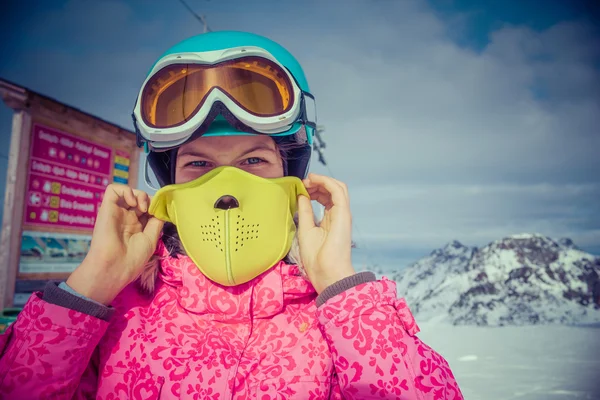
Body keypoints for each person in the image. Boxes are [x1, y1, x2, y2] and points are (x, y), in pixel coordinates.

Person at [0, 31, 463, 399]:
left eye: (253, 161)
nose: (226, 189)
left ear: (294, 179)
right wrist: (90, 286)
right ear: (169, 189)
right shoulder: (114, 316)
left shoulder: (334, 324)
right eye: (198, 164)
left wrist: (338, 286)